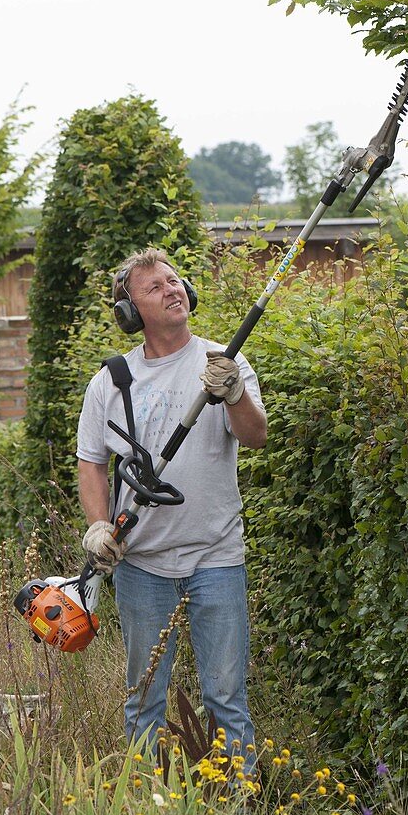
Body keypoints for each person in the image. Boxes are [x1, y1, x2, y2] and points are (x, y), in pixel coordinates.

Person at [76, 246, 267, 761]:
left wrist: (234, 394)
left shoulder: (222, 362)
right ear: (131, 313)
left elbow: (254, 437)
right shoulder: (112, 381)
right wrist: (98, 527)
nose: (172, 289)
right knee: (143, 699)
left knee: (227, 697)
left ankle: (240, 804)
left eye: (174, 279)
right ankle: (143, 805)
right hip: (141, 563)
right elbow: (91, 462)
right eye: (154, 287)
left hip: (217, 555)